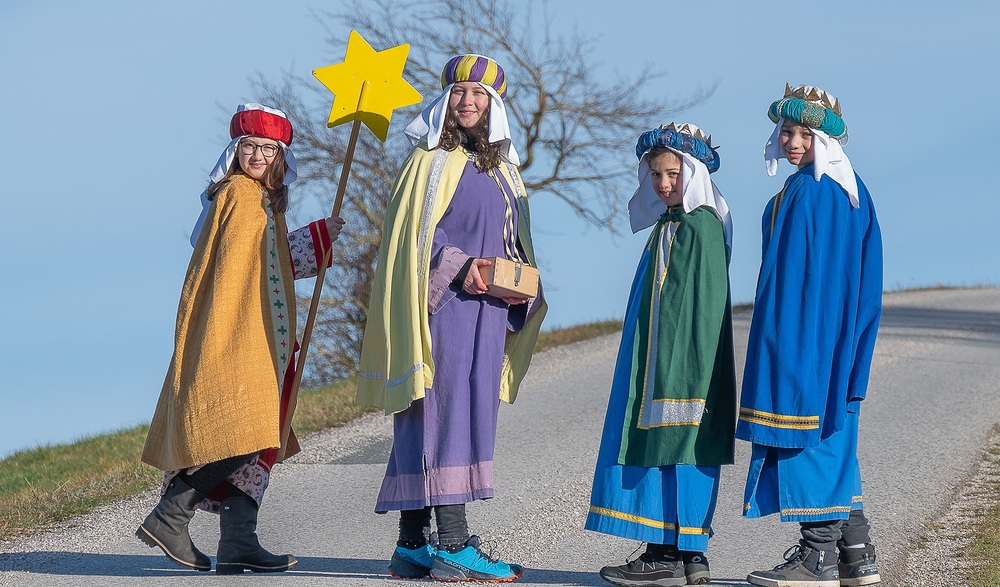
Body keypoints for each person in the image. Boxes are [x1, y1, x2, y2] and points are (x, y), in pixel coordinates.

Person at [356, 54, 547, 583]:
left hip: (487, 312)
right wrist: (462, 269)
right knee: (444, 413)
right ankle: (455, 544)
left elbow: (514, 240)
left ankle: (412, 544)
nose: (468, 102)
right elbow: (415, 241)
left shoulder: (503, 169)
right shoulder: (429, 162)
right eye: (460, 93)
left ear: (493, 106)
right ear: (446, 102)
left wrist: (520, 281)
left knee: (445, 413)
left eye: (478, 95)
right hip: (444, 309)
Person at [138, 103, 345, 575]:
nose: (257, 156)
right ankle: (170, 515)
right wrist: (312, 240)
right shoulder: (238, 194)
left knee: (258, 435)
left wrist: (317, 238)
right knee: (242, 429)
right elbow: (240, 271)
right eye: (250, 146)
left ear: (280, 159)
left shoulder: (260, 202)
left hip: (258, 331)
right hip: (236, 331)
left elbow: (266, 262)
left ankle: (237, 540)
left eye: (268, 149)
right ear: (235, 152)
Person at [738, 85, 883, 587]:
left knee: (809, 430)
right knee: (833, 432)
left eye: (805, 132)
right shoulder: (830, 187)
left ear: (826, 138)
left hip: (811, 336)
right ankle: (855, 553)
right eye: (787, 131)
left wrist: (802, 347)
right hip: (824, 335)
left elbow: (817, 279)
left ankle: (817, 557)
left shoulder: (820, 190)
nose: (793, 141)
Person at [585, 123, 737, 587]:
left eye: (672, 174)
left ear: (692, 173)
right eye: (655, 176)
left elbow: (702, 305)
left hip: (684, 364)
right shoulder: (670, 224)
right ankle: (674, 555)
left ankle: (680, 553)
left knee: (682, 446)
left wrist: (683, 366)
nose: (663, 184)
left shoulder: (701, 224)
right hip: (657, 358)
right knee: (661, 448)